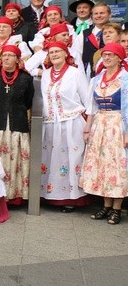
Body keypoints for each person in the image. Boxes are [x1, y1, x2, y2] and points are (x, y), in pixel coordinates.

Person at [0, 44, 34, 205]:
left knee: (15, 159)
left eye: (10, 55)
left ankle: (12, 196)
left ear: (18, 59)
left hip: (17, 125)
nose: (6, 58)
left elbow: (28, 101)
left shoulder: (25, 78)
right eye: (4, 55)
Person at [80, 43, 128, 225]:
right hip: (100, 125)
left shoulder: (125, 79)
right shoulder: (97, 79)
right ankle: (106, 205)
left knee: (117, 166)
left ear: (119, 58)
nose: (107, 58)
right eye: (105, 55)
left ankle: (117, 209)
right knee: (102, 165)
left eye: (111, 55)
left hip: (118, 124)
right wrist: (87, 129)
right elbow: (91, 108)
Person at [39, 41, 88, 212]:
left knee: (70, 160)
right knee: (51, 160)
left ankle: (71, 198)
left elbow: (87, 99)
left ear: (66, 53)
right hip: (51, 123)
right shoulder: (45, 74)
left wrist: (89, 125)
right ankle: (49, 195)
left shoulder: (75, 73)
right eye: (51, 52)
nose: (54, 54)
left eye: (58, 51)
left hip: (71, 122)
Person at [72, 1, 111, 78]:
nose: (99, 16)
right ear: (92, 16)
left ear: (109, 15)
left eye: (102, 13)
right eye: (96, 14)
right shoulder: (83, 34)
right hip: (88, 76)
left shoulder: (117, 32)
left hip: (112, 75)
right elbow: (76, 56)